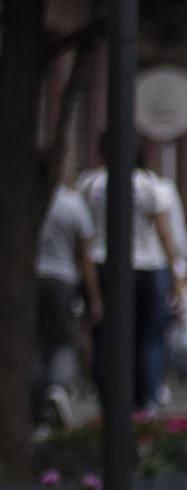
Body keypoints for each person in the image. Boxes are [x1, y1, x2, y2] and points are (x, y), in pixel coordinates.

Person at [77, 134, 184, 411]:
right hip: (147, 268)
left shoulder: (89, 184)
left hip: (102, 266)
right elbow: (165, 234)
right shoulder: (150, 185)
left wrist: (90, 288)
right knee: (147, 338)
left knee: (104, 337)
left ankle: (107, 401)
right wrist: (177, 275)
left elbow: (83, 238)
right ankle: (146, 400)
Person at [33, 183, 100, 429]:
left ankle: (38, 405)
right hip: (62, 279)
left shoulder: (24, 199)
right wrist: (94, 297)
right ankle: (58, 388)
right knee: (62, 340)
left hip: (29, 280)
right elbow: (85, 255)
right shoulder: (72, 203)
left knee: (35, 342)